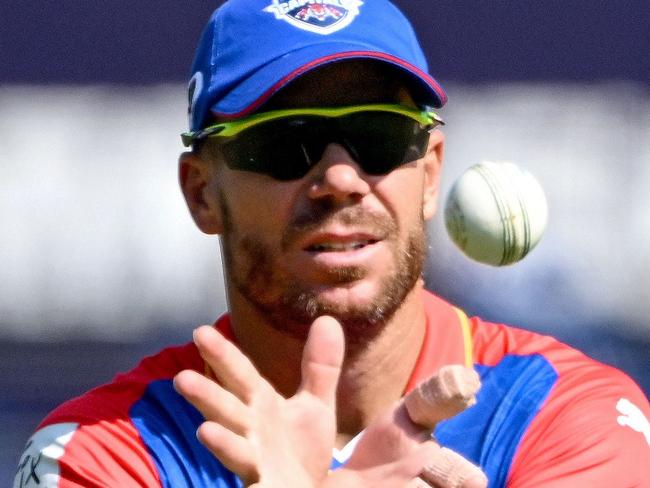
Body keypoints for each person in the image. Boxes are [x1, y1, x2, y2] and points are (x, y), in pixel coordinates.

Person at [15, 0, 650, 486]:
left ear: (429, 174)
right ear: (202, 192)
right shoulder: (98, 453)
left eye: (379, 136)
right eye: (284, 140)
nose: (341, 181)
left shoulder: (569, 413)